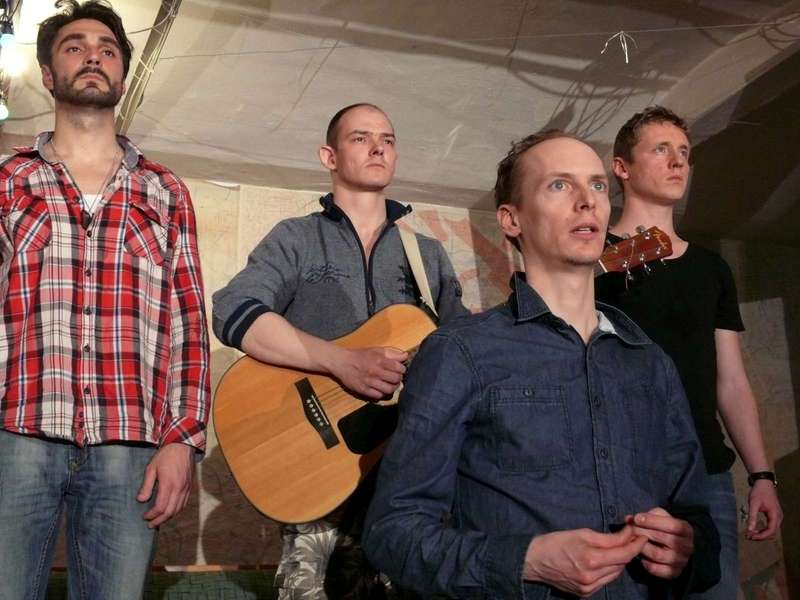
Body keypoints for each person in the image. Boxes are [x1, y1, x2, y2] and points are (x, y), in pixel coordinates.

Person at [363, 131, 720, 599]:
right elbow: (392, 533)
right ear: (512, 219)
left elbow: (698, 517)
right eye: (559, 185)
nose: (587, 200)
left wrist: (688, 549)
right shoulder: (460, 352)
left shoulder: (651, 362)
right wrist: (524, 560)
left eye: (597, 185)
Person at [212, 102, 468, 599]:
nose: (378, 147)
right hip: (314, 474)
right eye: (361, 137)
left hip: (407, 479)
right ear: (329, 156)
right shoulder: (296, 238)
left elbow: (463, 354)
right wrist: (340, 361)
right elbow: (234, 311)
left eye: (388, 140)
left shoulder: (427, 255)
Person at [0, 2, 211, 599]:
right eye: (75, 46)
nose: (93, 56)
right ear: (48, 74)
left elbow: (189, 320)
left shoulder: (165, 190)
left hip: (130, 444)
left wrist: (182, 438)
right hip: (17, 433)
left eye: (108, 49)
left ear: (121, 74)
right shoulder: (9, 182)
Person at [594, 106, 783, 598]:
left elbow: (731, 380)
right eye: (661, 149)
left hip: (705, 469)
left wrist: (762, 474)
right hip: (621, 463)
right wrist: (611, 257)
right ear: (622, 167)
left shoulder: (711, 269)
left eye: (684, 152)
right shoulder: (590, 257)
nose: (678, 161)